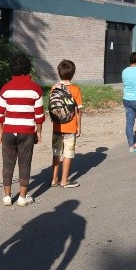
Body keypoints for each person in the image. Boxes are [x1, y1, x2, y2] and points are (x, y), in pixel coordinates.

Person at [0, 53, 44, 206]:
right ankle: (22, 197)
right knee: (25, 163)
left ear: (12, 69)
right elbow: (39, 116)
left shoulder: (5, 89)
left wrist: (0, 130)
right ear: (28, 68)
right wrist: (38, 132)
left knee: (7, 163)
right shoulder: (35, 89)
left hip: (9, 131)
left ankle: (7, 196)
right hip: (27, 132)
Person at [50, 59, 82, 188]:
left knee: (56, 152)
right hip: (70, 126)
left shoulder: (54, 88)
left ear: (59, 73)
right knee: (68, 153)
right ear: (73, 74)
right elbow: (78, 110)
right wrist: (79, 126)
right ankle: (64, 180)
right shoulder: (75, 89)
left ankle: (54, 179)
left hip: (57, 126)